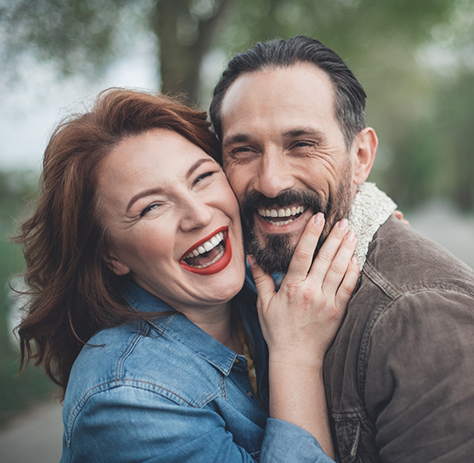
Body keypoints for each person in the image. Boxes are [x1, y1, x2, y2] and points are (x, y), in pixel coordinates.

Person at [14, 88, 360, 462]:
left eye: (202, 177)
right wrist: (296, 356)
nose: (198, 214)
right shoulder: (127, 398)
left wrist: (373, 227)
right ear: (111, 254)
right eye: (152, 207)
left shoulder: (258, 279)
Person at [209, 36, 474, 462]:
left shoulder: (421, 316)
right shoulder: (249, 278)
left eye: (302, 144)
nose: (271, 181)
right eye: (244, 150)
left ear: (361, 157)